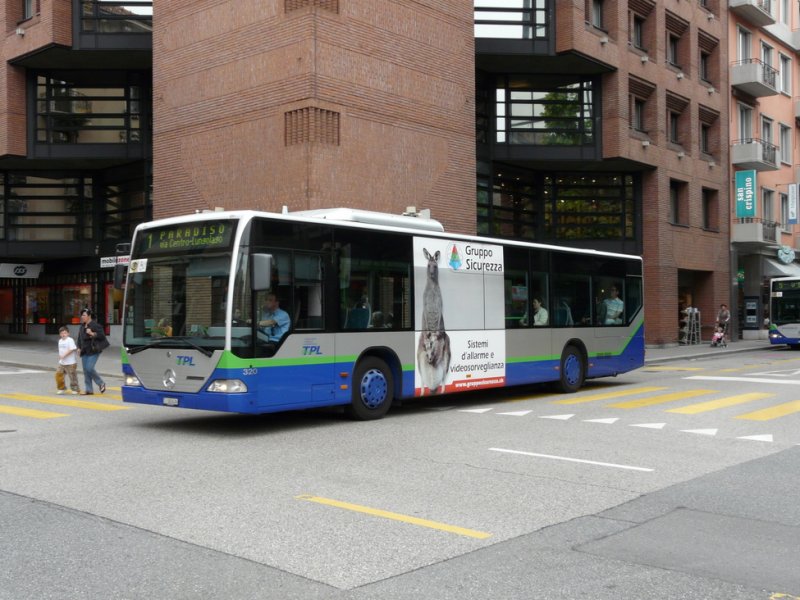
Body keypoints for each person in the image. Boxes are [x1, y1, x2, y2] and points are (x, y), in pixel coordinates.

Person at [77, 308, 108, 395]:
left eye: (84, 315)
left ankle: (101, 383)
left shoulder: (95, 325)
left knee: (89, 368)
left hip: (93, 350)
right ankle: (89, 389)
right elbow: (80, 338)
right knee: (86, 371)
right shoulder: (82, 326)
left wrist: (92, 333)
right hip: (84, 350)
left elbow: (102, 336)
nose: (82, 317)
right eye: (82, 315)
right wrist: (79, 347)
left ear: (89, 316)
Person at [55, 325, 80, 395]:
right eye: (62, 333)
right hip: (62, 363)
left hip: (71, 363)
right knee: (58, 375)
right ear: (60, 334)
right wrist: (60, 356)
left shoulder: (70, 340)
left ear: (68, 333)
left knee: (72, 376)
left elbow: (72, 349)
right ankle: (61, 388)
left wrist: (64, 355)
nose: (63, 334)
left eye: (65, 333)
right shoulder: (60, 341)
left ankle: (75, 389)